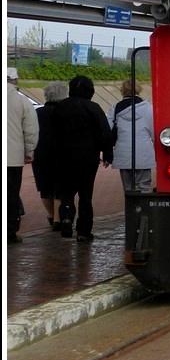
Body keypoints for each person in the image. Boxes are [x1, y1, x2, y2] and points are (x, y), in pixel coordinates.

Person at [51, 75, 114, 243]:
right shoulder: (93, 108)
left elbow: (51, 133)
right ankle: (83, 231)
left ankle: (66, 217)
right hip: (87, 158)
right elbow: (105, 133)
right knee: (85, 195)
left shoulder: (60, 108)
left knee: (66, 192)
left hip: (63, 157)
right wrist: (108, 154)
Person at [108, 78, 156, 197]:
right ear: (138, 90)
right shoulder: (148, 108)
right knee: (144, 187)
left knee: (128, 189)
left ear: (122, 90)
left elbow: (108, 130)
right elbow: (154, 132)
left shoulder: (115, 109)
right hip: (144, 153)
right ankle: (143, 213)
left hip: (123, 153)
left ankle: (131, 212)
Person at [7, 68, 39, 244]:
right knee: (11, 195)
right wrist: (29, 151)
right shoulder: (22, 102)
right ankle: (9, 232)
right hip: (12, 157)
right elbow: (31, 130)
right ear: (16, 81)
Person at [31, 80, 69, 230]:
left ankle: (51, 215)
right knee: (60, 188)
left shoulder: (38, 112)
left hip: (40, 153)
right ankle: (58, 220)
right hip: (61, 153)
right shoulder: (66, 112)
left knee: (45, 188)